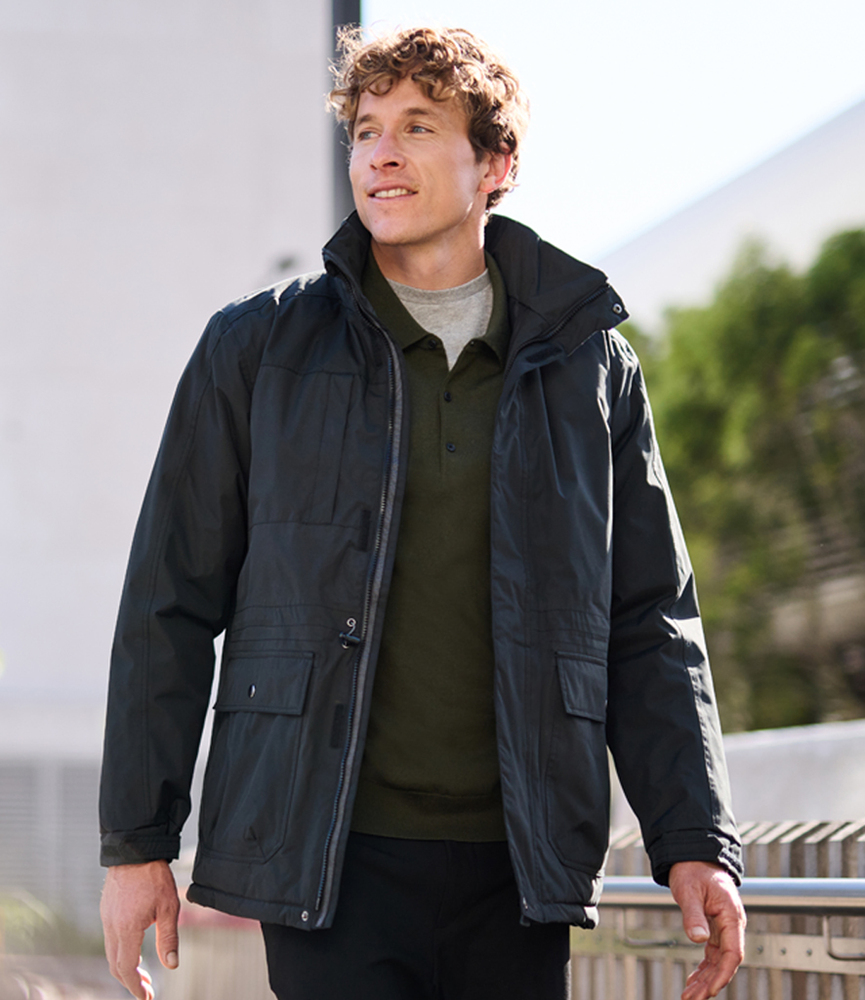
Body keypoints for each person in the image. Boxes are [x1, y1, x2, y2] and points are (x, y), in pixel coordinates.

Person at [99, 25, 746, 1000]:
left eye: (416, 126)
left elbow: (650, 619)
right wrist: (137, 842)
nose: (380, 154)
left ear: (495, 164)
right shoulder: (256, 351)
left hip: (521, 865)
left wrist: (694, 838)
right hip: (326, 859)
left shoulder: (589, 366)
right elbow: (168, 603)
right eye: (365, 130)